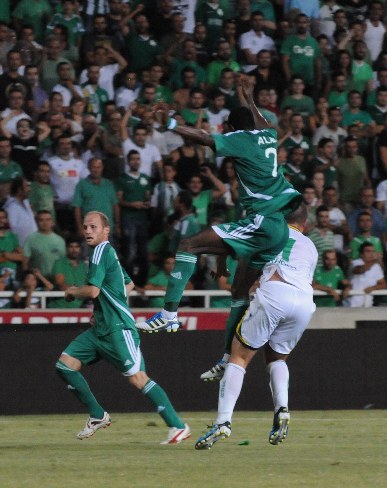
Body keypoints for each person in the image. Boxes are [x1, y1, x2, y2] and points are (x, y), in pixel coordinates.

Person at [136, 78, 301, 336]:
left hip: (263, 221)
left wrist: (169, 125)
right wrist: (249, 98)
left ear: (232, 127)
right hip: (278, 226)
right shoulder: (269, 135)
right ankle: (229, 359)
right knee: (239, 292)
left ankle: (168, 315)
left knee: (188, 245)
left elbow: (204, 138)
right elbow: (261, 122)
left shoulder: (239, 139)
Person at [54, 211, 190, 444]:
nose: (87, 230)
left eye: (93, 227)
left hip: (118, 329)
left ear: (106, 231)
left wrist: (71, 291)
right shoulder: (107, 254)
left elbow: (93, 291)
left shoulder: (101, 251)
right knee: (65, 365)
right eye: (85, 227)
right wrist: (102, 310)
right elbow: (129, 284)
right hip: (101, 329)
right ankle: (97, 414)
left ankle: (178, 426)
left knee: (139, 378)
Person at [195, 207, 317, 448]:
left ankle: (223, 422)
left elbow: (236, 249)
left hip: (275, 292)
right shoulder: (311, 246)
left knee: (238, 358)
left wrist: (226, 270)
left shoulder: (272, 232)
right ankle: (282, 409)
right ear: (304, 224)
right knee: (277, 358)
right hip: (304, 301)